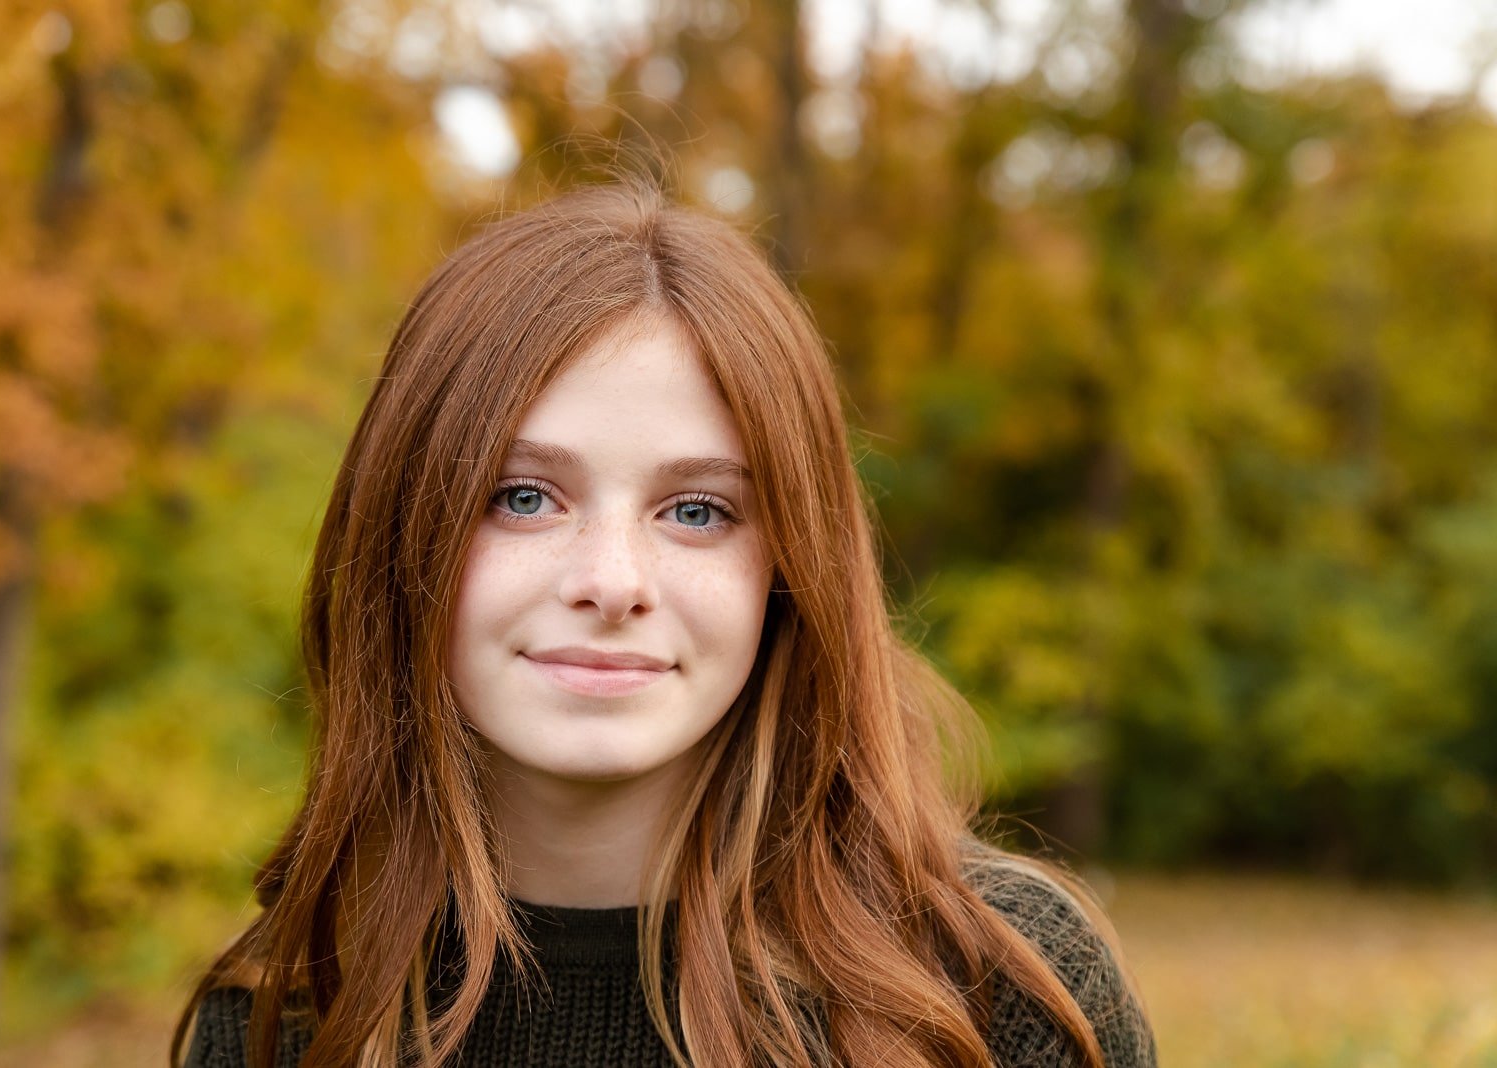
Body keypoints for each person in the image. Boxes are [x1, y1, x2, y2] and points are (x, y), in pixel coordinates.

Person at [173, 181, 1156, 1067]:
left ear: (790, 565)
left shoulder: (995, 1005)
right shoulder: (286, 1022)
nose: (611, 582)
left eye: (696, 511)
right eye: (522, 496)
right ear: (404, 529)